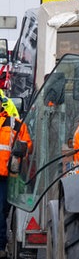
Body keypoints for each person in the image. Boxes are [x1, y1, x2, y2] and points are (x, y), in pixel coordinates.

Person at [0, 90, 21, 257]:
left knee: (1, 211)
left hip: (5, 177)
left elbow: (26, 144)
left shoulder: (14, 123)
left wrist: (18, 158)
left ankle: (1, 246)